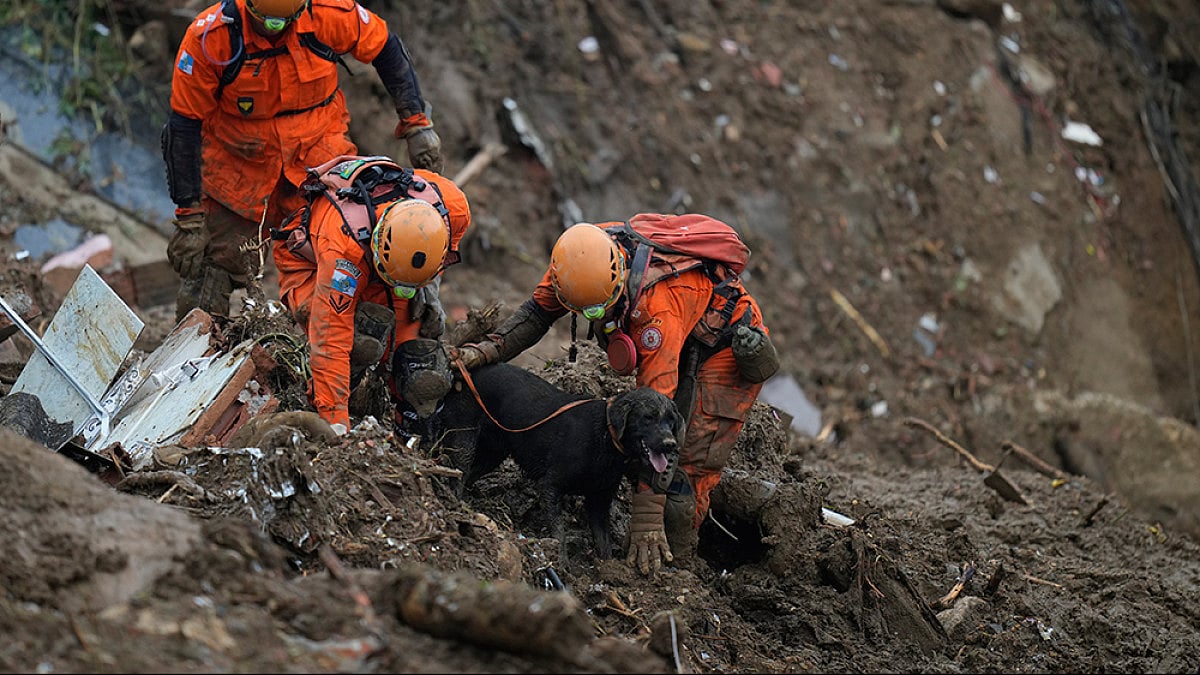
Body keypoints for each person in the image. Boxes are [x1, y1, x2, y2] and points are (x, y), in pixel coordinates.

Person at [454, 216, 780, 575]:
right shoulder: (578, 260)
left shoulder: (658, 305)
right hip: (681, 328)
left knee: (685, 461)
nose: (593, 317)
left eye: (598, 310)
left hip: (725, 346)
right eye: (583, 311)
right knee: (644, 450)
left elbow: (657, 405)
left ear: (618, 280)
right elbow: (535, 315)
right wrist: (483, 352)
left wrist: (647, 519)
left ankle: (678, 568)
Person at [162, 0, 444, 322]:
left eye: (283, 23)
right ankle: (195, 356)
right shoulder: (210, 38)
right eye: (266, 23)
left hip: (320, 156)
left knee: (350, 247)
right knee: (210, 268)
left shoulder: (329, 14)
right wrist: (188, 216)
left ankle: (363, 334)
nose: (275, 30)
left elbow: (387, 49)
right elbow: (183, 125)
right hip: (239, 167)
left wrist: (417, 123)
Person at [272, 155, 470, 434]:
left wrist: (429, 287)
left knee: (419, 367)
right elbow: (331, 341)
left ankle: (412, 437)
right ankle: (331, 402)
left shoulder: (453, 210)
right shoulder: (343, 253)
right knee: (361, 339)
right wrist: (335, 425)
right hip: (312, 265)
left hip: (393, 271)